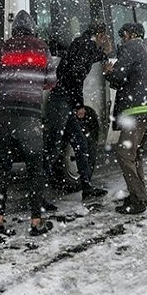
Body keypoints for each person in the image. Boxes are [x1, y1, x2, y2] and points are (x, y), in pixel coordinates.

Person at [0, 10, 57, 236]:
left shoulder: (4, 47)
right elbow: (50, 82)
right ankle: (36, 221)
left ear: (14, 29)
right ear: (32, 28)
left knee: (2, 167)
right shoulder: (42, 48)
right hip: (31, 114)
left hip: (6, 113)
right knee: (34, 167)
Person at [43, 20, 111, 202]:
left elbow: (92, 57)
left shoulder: (84, 44)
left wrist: (104, 55)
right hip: (61, 101)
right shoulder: (84, 45)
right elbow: (75, 76)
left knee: (80, 143)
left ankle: (87, 186)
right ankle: (37, 194)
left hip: (65, 100)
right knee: (53, 147)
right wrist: (79, 105)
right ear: (100, 35)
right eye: (104, 37)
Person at [103, 22, 147, 215]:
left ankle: (138, 199)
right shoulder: (146, 49)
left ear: (129, 35)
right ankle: (138, 195)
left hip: (137, 112)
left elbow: (119, 77)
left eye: (123, 36)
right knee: (135, 154)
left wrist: (108, 72)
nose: (122, 39)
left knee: (124, 154)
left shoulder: (131, 47)